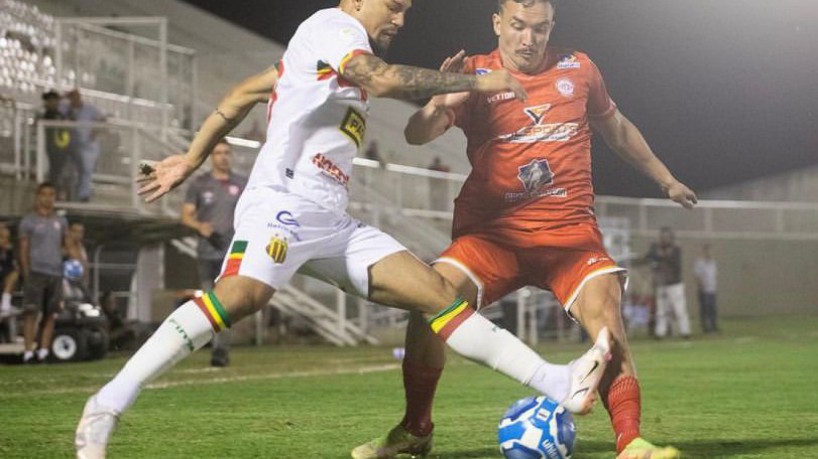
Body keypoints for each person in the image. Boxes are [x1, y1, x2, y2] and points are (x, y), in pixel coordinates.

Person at [75, 1, 612, 457]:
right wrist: (475, 81)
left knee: (436, 294)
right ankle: (107, 402)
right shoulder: (334, 28)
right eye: (393, 5)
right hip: (283, 203)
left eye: (406, 9)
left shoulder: (322, 51)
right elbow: (380, 78)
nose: (400, 18)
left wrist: (189, 159)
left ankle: (557, 381)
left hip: (330, 221)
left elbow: (243, 93)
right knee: (241, 296)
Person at [353, 1, 698, 458]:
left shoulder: (579, 69)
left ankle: (630, 441)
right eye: (518, 26)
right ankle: (416, 428)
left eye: (540, 29)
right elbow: (416, 134)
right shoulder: (475, 73)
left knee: (606, 320)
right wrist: (440, 100)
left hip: (568, 234)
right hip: (491, 238)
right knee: (427, 302)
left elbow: (616, 128)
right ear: (497, 23)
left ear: (551, 27)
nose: (528, 39)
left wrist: (666, 179)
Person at [181, 139, 248, 367]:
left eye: (226, 152)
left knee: (226, 303)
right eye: (218, 152)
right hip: (207, 251)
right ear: (211, 156)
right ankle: (214, 344)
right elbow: (186, 216)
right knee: (212, 303)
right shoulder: (199, 184)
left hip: (233, 253)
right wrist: (200, 226)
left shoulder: (242, 183)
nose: (223, 156)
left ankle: (220, 349)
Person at [18, 182, 78, 363]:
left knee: (51, 313)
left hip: (55, 272)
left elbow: (67, 244)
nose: (48, 198)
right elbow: (23, 249)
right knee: (31, 313)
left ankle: (43, 351)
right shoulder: (28, 221)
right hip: (36, 272)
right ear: (38, 196)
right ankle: (28, 352)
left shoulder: (61, 221)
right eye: (44, 194)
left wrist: (78, 260)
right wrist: (27, 272)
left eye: (51, 194)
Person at [644, 227, 691, 340]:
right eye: (662, 236)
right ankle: (660, 332)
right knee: (661, 310)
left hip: (675, 284)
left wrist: (656, 251)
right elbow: (648, 257)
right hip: (662, 284)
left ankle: (685, 331)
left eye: (666, 236)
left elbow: (666, 256)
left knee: (679, 309)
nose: (664, 239)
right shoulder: (656, 248)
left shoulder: (675, 248)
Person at [66, 89, 105, 202]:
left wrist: (95, 132)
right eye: (72, 98)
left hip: (88, 145)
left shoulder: (90, 108)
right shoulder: (67, 110)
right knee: (72, 171)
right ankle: (72, 194)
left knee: (86, 169)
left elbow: (103, 119)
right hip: (72, 145)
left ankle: (84, 195)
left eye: (76, 97)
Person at [40, 90, 74, 199]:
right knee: (54, 171)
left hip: (63, 147)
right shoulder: (47, 114)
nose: (52, 102)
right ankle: (54, 193)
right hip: (52, 148)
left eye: (54, 100)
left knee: (61, 171)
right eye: (49, 100)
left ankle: (60, 193)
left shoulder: (60, 114)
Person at [693, 243, 718, 334]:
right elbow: (697, 276)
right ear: (704, 251)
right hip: (704, 290)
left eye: (711, 251)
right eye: (708, 251)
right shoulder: (699, 263)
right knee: (705, 309)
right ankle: (705, 327)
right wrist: (701, 286)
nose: (710, 253)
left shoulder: (713, 263)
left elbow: (714, 275)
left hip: (712, 289)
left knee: (712, 308)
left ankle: (713, 325)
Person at [0, 223, 21, 318]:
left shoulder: (9, 249)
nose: (6, 241)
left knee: (14, 274)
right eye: (3, 238)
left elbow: (10, 265)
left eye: (7, 238)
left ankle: (5, 304)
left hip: (4, 272)